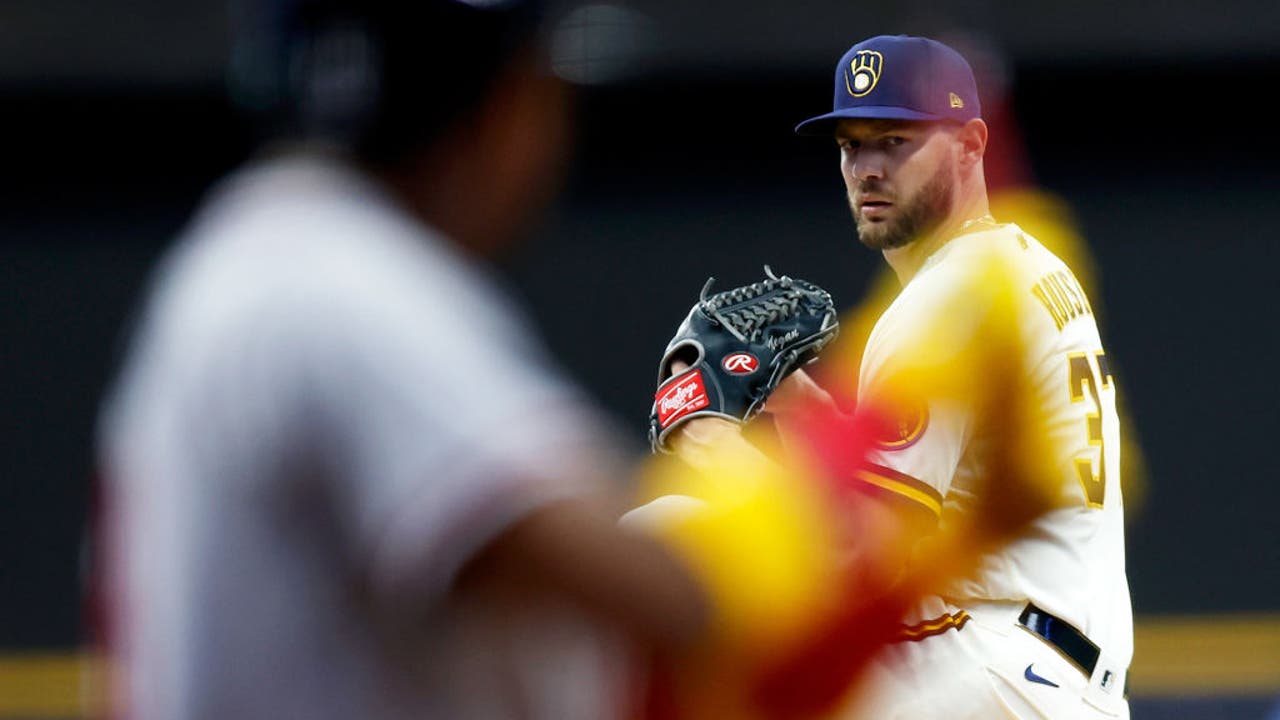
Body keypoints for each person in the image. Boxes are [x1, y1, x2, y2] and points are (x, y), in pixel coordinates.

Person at [94, 1, 710, 718]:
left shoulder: (249, 258)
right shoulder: (334, 283)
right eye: (539, 86)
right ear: (475, 102)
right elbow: (669, 595)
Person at [670, 34, 1134, 718]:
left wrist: (711, 442)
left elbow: (861, 561)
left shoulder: (944, 295)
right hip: (1047, 673)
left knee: (679, 530)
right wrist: (812, 418)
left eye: (895, 141)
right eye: (851, 145)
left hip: (998, 670)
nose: (869, 168)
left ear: (973, 144)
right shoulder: (1023, 265)